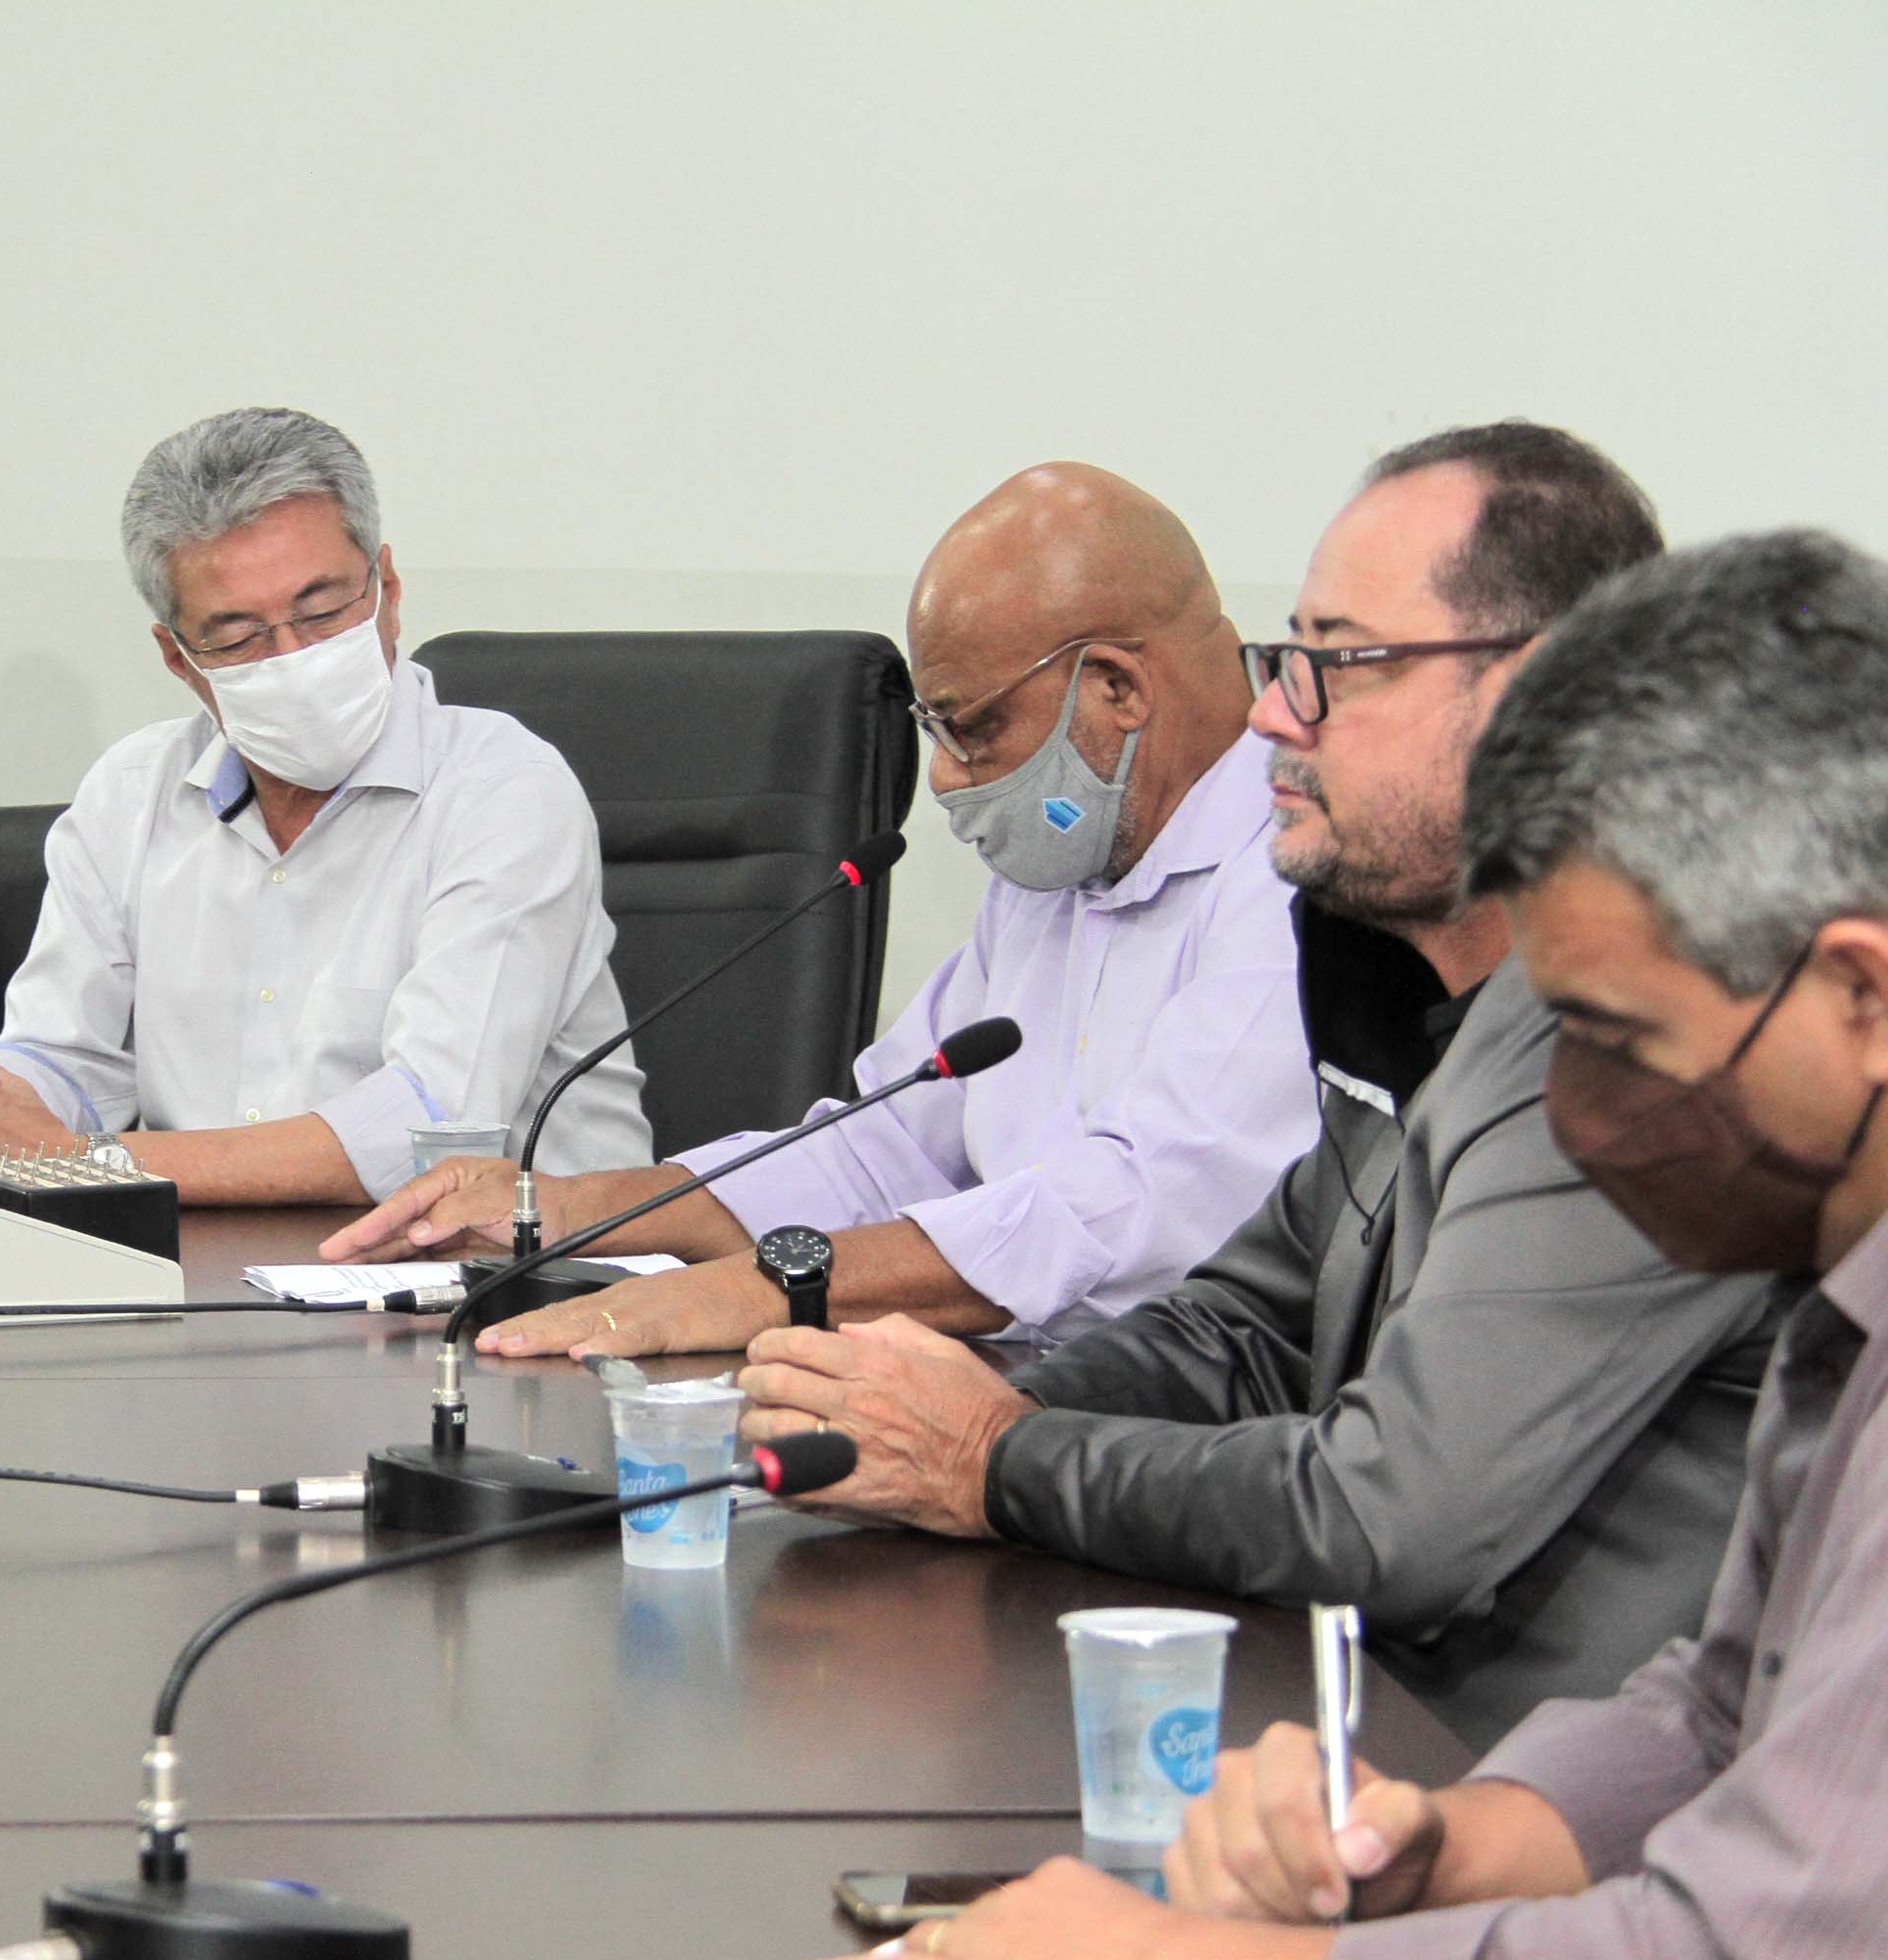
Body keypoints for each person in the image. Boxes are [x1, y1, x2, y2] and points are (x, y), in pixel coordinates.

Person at [798, 530, 1888, 1960]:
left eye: (1615, 1041)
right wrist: (1449, 1844)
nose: (1572, 1115)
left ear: (1866, 994)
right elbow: (1732, 1705)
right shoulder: (1878, 1241)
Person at [739, 425, 1787, 1747]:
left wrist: (990, 1460)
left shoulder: (1644, 1040)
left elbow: (1387, 1513)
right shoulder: (1399, 990)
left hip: (1559, 1816)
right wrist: (918, 1422)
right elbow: (1242, 1331)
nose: (1274, 712)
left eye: (1339, 664)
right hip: (1375, 1734)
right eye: (1289, 659)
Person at [322, 463, 1317, 1356]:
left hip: (1195, 1428)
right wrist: (570, 1210)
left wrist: (768, 1293)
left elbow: (1142, 1210)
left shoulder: (1301, 876)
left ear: (1117, 688)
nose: (945, 777)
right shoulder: (1062, 869)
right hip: (1013, 1382)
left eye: (971, 729)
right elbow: (881, 1149)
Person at [0, 407, 650, 1203]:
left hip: (514, 1284)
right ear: (178, 658)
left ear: (389, 592)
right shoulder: (130, 792)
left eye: (322, 610)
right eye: (239, 636)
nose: (296, 658)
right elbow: (68, 1057)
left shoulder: (503, 788)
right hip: (212, 1269)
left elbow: (431, 1131)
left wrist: (73, 1162)